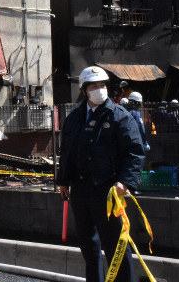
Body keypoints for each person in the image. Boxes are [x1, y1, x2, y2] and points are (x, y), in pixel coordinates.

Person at [57, 66, 145, 282]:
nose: (100, 90)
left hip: (108, 190)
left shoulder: (119, 117)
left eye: (103, 85)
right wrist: (63, 180)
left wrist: (126, 182)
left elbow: (135, 152)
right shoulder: (75, 117)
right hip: (80, 188)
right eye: (94, 86)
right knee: (89, 246)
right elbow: (67, 150)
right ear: (85, 90)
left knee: (116, 244)